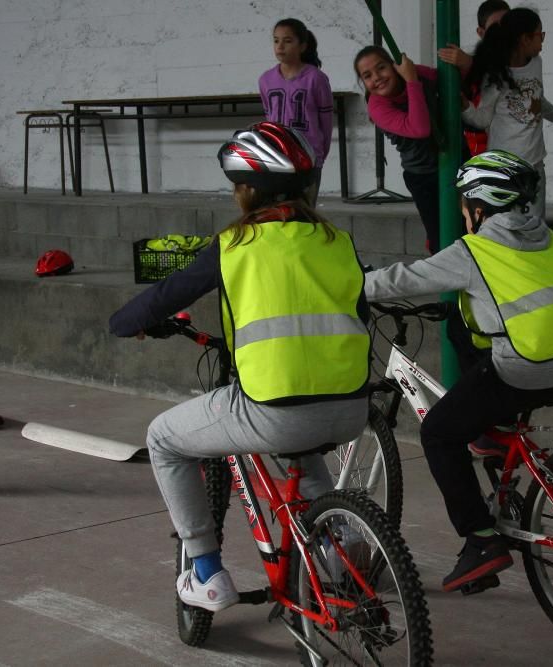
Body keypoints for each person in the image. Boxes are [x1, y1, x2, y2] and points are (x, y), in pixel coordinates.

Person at [109, 121, 370, 613]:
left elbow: (168, 295)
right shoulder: (337, 240)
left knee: (163, 438)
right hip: (352, 407)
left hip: (273, 410)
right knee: (304, 456)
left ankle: (206, 573)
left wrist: (124, 323)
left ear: (249, 191)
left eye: (236, 186)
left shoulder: (235, 244)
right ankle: (337, 553)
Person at [363, 150, 553, 591]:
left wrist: (351, 284)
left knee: (437, 431)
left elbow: (403, 279)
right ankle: (493, 431)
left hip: (526, 367)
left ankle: (479, 539)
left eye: (463, 205)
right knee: (463, 321)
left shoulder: (474, 250)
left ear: (478, 206)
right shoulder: (548, 239)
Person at [461, 7, 553, 221]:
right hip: (505, 167)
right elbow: (482, 119)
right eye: (539, 35)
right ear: (524, 39)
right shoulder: (497, 74)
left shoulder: (536, 63)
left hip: (534, 164)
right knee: (506, 226)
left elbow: (537, 100)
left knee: (535, 224)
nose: (542, 42)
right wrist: (463, 106)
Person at [354, 47, 446, 254]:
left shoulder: (417, 73)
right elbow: (420, 128)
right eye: (367, 76)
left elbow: (447, 77)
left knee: (470, 225)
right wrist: (412, 82)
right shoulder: (377, 106)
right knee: (440, 235)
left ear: (394, 66)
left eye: (381, 68)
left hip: (456, 158)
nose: (377, 78)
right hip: (423, 176)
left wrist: (463, 61)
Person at [258, 18, 333, 206]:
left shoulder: (316, 78)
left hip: (308, 155)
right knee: (277, 209)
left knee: (305, 210)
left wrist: (320, 153)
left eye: (288, 41)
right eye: (276, 40)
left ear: (302, 46)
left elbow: (326, 121)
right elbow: (269, 115)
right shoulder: (266, 79)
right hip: (278, 154)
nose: (280, 46)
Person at [437, 0, 510, 155]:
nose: (503, 31)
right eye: (495, 27)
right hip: (482, 150)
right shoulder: (471, 62)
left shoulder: (523, 60)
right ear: (481, 33)